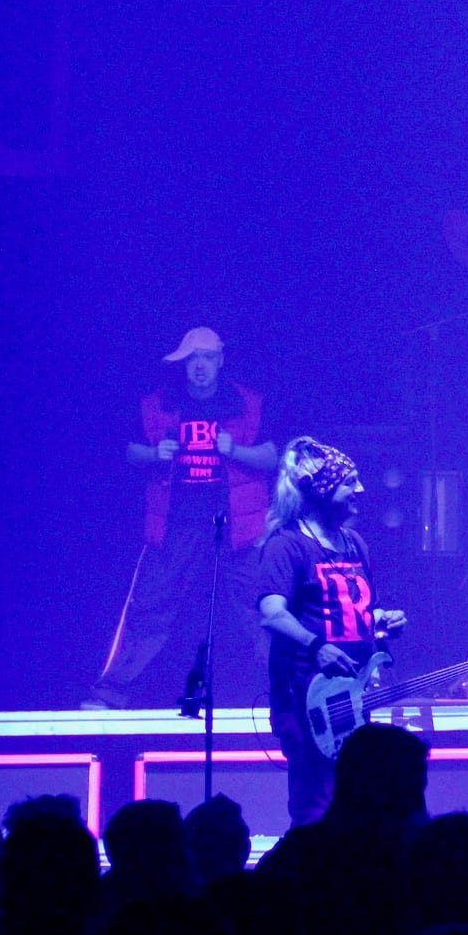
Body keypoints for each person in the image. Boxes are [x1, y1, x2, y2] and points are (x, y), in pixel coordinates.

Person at [85, 327, 276, 709]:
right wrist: (154, 454)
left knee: (263, 608)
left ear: (220, 360)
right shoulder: (159, 404)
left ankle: (289, 691)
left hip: (237, 526)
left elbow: (273, 456)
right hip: (177, 523)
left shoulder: (246, 403)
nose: (200, 366)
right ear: (183, 364)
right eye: (192, 359)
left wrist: (235, 450)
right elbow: (128, 452)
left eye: (207, 357)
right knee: (150, 607)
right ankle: (111, 693)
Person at [256, 436, 408, 826]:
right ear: (323, 491)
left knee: (357, 803)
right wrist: (316, 646)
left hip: (353, 696)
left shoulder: (354, 544)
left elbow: (358, 609)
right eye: (349, 482)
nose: (360, 490)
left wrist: (381, 620)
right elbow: (272, 613)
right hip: (307, 696)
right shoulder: (286, 545)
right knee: (315, 805)